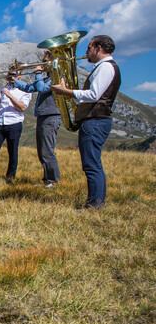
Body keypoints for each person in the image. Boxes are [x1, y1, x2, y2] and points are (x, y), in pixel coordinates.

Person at [51, 35, 120, 209]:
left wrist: (68, 92)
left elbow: (94, 95)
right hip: (94, 120)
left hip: (95, 121)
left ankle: (94, 204)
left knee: (91, 165)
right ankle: (97, 202)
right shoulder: (102, 67)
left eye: (89, 47)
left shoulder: (105, 67)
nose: (86, 51)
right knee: (93, 163)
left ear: (98, 48)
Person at [12, 51, 61, 187]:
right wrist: (14, 82)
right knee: (42, 150)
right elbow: (30, 88)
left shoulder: (56, 77)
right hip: (43, 115)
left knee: (47, 150)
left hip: (51, 115)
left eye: (45, 60)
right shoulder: (46, 78)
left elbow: (41, 88)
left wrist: (38, 73)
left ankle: (54, 180)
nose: (41, 63)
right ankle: (47, 179)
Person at [0, 67, 32, 181]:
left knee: (12, 151)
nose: (10, 77)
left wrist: (9, 95)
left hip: (14, 122)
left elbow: (22, 107)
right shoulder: (2, 88)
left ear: (19, 76)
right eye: (9, 74)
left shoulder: (26, 90)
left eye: (13, 75)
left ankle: (10, 177)